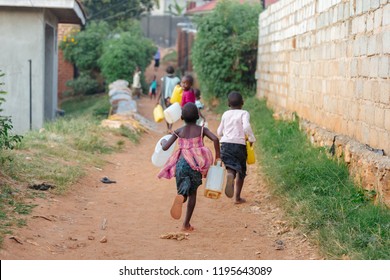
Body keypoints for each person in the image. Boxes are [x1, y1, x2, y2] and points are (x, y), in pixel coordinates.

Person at [158, 103, 221, 231]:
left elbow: (165, 147)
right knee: (193, 193)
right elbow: (215, 139)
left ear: (181, 117)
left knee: (183, 188)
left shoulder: (179, 131)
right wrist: (218, 157)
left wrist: (162, 142)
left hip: (181, 163)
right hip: (195, 164)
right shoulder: (202, 129)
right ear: (198, 116)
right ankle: (186, 224)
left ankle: (181, 196)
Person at [217, 91, 256, 204]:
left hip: (225, 144)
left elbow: (219, 131)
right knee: (241, 171)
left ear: (228, 104)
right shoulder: (244, 113)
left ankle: (230, 174)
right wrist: (251, 138)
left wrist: (224, 135)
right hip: (239, 145)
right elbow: (247, 126)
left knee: (230, 166)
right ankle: (237, 198)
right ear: (242, 103)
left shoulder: (225, 114)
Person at [156, 66, 180, 132]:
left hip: (165, 99)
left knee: (166, 113)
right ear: (173, 71)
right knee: (172, 113)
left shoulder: (164, 79)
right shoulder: (177, 79)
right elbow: (178, 90)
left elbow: (161, 90)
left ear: (166, 71)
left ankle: (168, 128)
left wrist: (157, 99)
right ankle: (170, 127)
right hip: (173, 99)